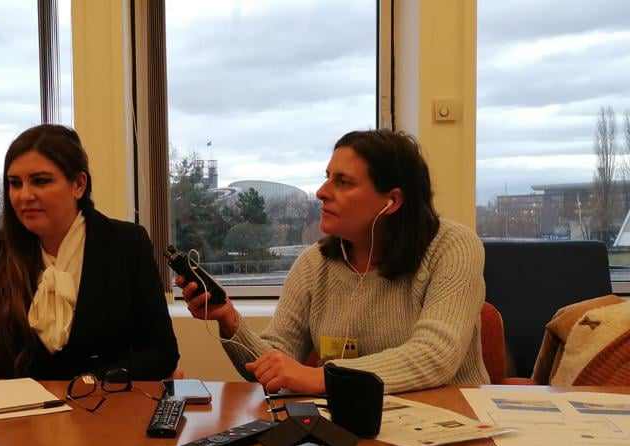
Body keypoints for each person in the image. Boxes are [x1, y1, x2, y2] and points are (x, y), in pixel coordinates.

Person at [178, 129, 489, 394]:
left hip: (451, 427)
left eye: (343, 182)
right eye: (327, 178)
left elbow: (435, 356)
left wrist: (322, 377)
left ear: (392, 201)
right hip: (354, 432)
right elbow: (276, 363)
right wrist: (229, 319)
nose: (321, 192)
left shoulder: (453, 247)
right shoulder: (315, 264)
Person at [0, 124, 179, 380]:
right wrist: (8, 392)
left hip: (103, 410)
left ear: (78, 184)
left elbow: (162, 353)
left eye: (40, 181)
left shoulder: (127, 244)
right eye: (15, 183)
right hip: (18, 415)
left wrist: (94, 383)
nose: (24, 195)